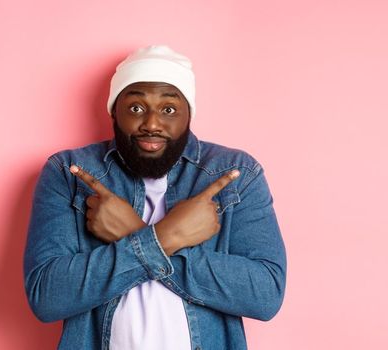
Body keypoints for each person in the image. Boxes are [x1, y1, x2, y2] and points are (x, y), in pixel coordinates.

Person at [23, 45, 286, 350]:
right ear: (113, 111)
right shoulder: (69, 173)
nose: (151, 123)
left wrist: (135, 235)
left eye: (169, 109)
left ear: (190, 114)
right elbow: (47, 296)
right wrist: (168, 237)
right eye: (135, 107)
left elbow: (266, 295)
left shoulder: (236, 173)